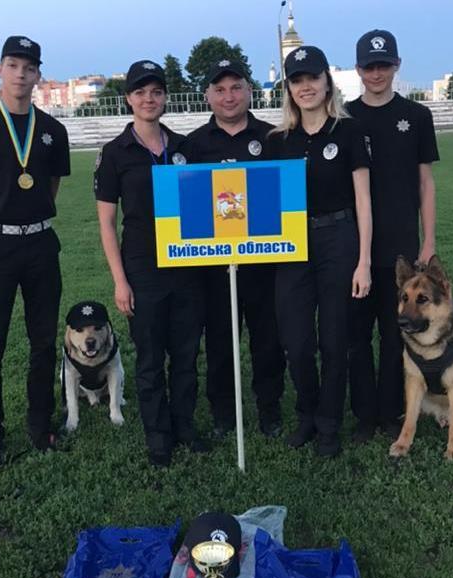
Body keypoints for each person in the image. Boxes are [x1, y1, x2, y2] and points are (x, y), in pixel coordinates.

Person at [0, 36, 70, 471]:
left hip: (40, 243)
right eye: (14, 65)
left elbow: (51, 189)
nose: (22, 74)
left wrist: (27, 223)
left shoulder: (53, 131)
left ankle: (40, 426)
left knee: (42, 342)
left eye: (30, 67)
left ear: (38, 75)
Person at [94, 60, 206, 468]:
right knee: (149, 358)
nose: (148, 99)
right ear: (129, 99)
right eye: (141, 92)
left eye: (156, 92)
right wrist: (120, 281)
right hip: (141, 268)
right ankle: (158, 437)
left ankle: (185, 427)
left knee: (186, 354)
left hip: (188, 267)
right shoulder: (114, 154)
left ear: (165, 98)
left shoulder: (183, 148)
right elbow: (107, 222)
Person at [265, 46, 372, 457]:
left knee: (334, 339)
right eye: (297, 80)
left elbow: (363, 201)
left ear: (327, 81)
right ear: (288, 89)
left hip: (339, 240)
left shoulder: (348, 132)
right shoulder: (278, 141)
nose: (305, 87)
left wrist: (363, 261)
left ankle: (329, 423)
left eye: (312, 78)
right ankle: (307, 412)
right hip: (292, 246)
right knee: (296, 340)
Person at [346, 30, 440, 442]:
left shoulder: (417, 117)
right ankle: (363, 414)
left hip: (400, 249)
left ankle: (391, 411)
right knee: (354, 337)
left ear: (396, 66)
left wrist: (428, 240)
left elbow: (425, 183)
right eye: (370, 66)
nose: (377, 73)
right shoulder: (344, 117)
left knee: (394, 335)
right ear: (359, 70)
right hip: (353, 249)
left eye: (384, 65)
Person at [185, 59, 286, 439]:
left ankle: (269, 410)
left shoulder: (274, 137)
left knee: (268, 342)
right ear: (208, 95)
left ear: (249, 91)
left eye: (236, 87)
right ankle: (223, 415)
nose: (229, 97)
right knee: (220, 346)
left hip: (263, 265)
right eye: (220, 89)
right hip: (214, 269)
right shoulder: (193, 145)